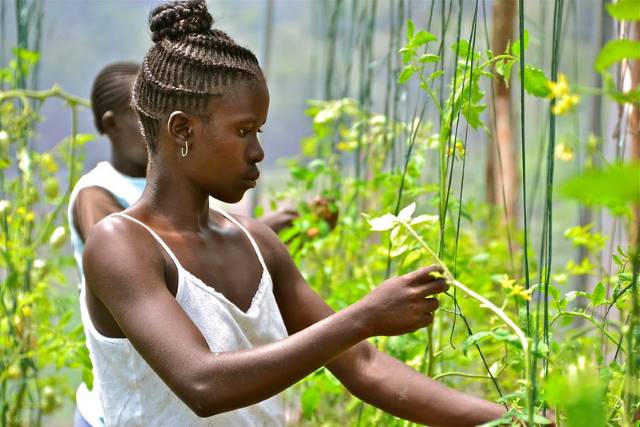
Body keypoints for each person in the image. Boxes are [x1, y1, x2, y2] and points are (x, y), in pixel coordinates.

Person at [79, 1, 508, 425]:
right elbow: (203, 384)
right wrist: (364, 317)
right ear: (182, 130)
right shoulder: (120, 244)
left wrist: (508, 419)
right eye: (243, 131)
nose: (257, 152)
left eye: (259, 131)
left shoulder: (255, 242)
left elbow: (363, 366)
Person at [68, 62, 297, 426]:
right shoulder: (99, 199)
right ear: (112, 125)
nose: (151, 124)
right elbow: (139, 252)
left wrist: (257, 238)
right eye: (141, 115)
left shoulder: (200, 206)